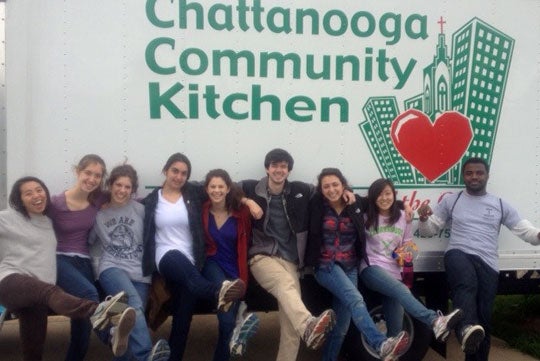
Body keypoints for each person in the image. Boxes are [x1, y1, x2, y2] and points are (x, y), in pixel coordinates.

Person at [417, 157, 540, 361]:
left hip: (488, 264)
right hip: (458, 253)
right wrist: (423, 219)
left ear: (487, 176)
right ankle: (464, 328)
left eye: (479, 173)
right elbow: (430, 229)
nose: (474, 177)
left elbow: (523, 229)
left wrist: (538, 236)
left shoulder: (499, 204)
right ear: (464, 177)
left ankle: (471, 341)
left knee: (483, 321)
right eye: (469, 173)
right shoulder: (452, 201)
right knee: (466, 285)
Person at [0, 176, 134, 361]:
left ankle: (109, 331)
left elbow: (104, 196)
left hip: (36, 297)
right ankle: (97, 311)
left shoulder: (47, 221)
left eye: (39, 190)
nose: (36, 195)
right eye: (28, 193)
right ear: (19, 199)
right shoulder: (8, 218)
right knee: (51, 291)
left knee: (33, 351)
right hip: (12, 281)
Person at [141, 153, 247, 360]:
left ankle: (174, 357)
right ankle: (222, 294)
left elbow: (222, 189)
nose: (179, 177)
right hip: (166, 255)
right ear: (165, 171)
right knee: (192, 278)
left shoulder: (193, 193)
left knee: (183, 319)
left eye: (184, 173)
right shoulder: (152, 200)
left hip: (192, 259)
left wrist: (247, 200)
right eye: (175, 171)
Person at [240, 148, 337, 361]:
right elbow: (223, 187)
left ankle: (302, 331)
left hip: (291, 261)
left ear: (289, 170)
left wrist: (349, 193)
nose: (279, 170)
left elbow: (328, 192)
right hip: (262, 257)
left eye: (283, 166)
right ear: (267, 168)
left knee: (291, 323)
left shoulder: (300, 190)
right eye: (274, 165)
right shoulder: (251, 188)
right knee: (286, 286)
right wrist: (248, 201)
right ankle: (309, 324)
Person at [306, 168, 410, 361]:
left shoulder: (356, 203)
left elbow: (381, 203)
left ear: (343, 185)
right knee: (356, 299)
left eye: (335, 184)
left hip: (350, 266)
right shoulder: (316, 204)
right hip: (326, 265)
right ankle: (381, 343)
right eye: (326, 186)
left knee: (342, 327)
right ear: (320, 189)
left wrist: (404, 205)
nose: (331, 189)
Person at [49, 154, 131, 360]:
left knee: (82, 324)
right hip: (59, 259)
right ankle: (110, 335)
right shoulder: (56, 203)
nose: (92, 179)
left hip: (84, 261)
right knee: (89, 293)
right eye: (88, 173)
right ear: (77, 172)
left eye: (98, 175)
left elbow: (123, 194)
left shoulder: (98, 199)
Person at [360, 178, 462, 341]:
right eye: (379, 194)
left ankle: (390, 352)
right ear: (372, 197)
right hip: (371, 268)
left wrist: (408, 252)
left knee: (395, 330)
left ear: (394, 194)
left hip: (394, 271)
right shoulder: (366, 217)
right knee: (402, 291)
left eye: (387, 193)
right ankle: (435, 320)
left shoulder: (403, 216)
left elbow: (406, 241)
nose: (384, 198)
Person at [89, 164, 170, 361]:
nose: (122, 190)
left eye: (127, 187)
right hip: (112, 268)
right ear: (110, 185)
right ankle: (146, 355)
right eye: (118, 185)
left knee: (126, 326)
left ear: (133, 190)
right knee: (132, 306)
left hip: (140, 274)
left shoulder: (142, 211)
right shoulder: (99, 214)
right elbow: (88, 241)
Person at [201, 169, 259, 360]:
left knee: (226, 322)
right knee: (225, 299)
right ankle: (239, 326)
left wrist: (247, 200)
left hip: (235, 270)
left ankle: (236, 334)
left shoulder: (241, 214)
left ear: (228, 189)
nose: (216, 190)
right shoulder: (201, 210)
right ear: (206, 188)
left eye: (221, 186)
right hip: (211, 265)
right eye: (212, 186)